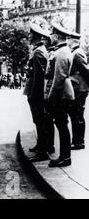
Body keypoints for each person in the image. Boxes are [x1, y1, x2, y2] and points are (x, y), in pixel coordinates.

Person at [45, 23, 75, 168]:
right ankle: (64, 156)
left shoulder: (61, 53)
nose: (50, 37)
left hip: (61, 94)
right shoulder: (61, 51)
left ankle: (65, 157)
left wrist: (51, 98)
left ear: (56, 36)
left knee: (62, 126)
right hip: (61, 93)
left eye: (52, 34)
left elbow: (58, 79)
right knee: (61, 125)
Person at [23, 24, 52, 162]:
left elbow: (39, 77)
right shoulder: (38, 50)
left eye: (30, 34)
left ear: (34, 36)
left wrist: (34, 95)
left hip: (36, 93)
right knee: (39, 121)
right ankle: (41, 146)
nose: (28, 36)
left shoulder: (39, 51)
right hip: (34, 91)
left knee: (40, 121)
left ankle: (42, 151)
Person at [68, 32, 89, 150]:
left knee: (78, 115)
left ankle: (79, 142)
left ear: (73, 40)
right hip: (78, 87)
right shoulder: (75, 52)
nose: (67, 41)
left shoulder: (77, 53)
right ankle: (76, 141)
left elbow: (85, 71)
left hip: (80, 88)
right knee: (76, 115)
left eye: (69, 39)